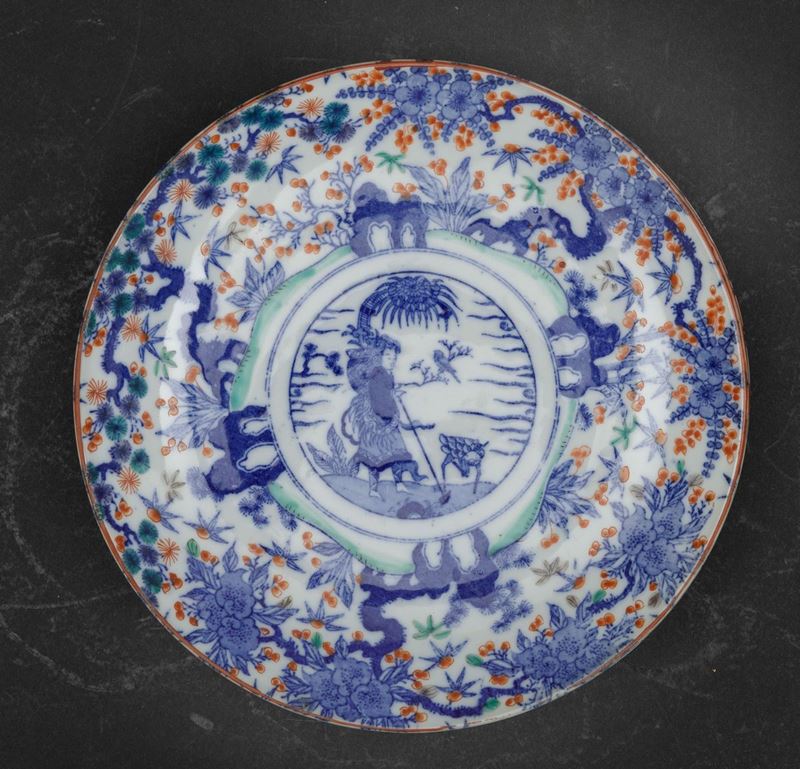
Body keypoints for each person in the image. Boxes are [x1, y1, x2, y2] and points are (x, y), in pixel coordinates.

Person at [342, 334, 424, 497]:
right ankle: (374, 489)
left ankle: (397, 484)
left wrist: (393, 395)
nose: (392, 360)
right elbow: (378, 397)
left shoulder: (387, 374)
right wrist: (391, 400)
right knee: (375, 457)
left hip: (388, 418)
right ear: (378, 356)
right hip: (377, 420)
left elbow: (386, 393)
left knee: (397, 453)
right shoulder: (377, 374)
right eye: (388, 356)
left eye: (394, 357)